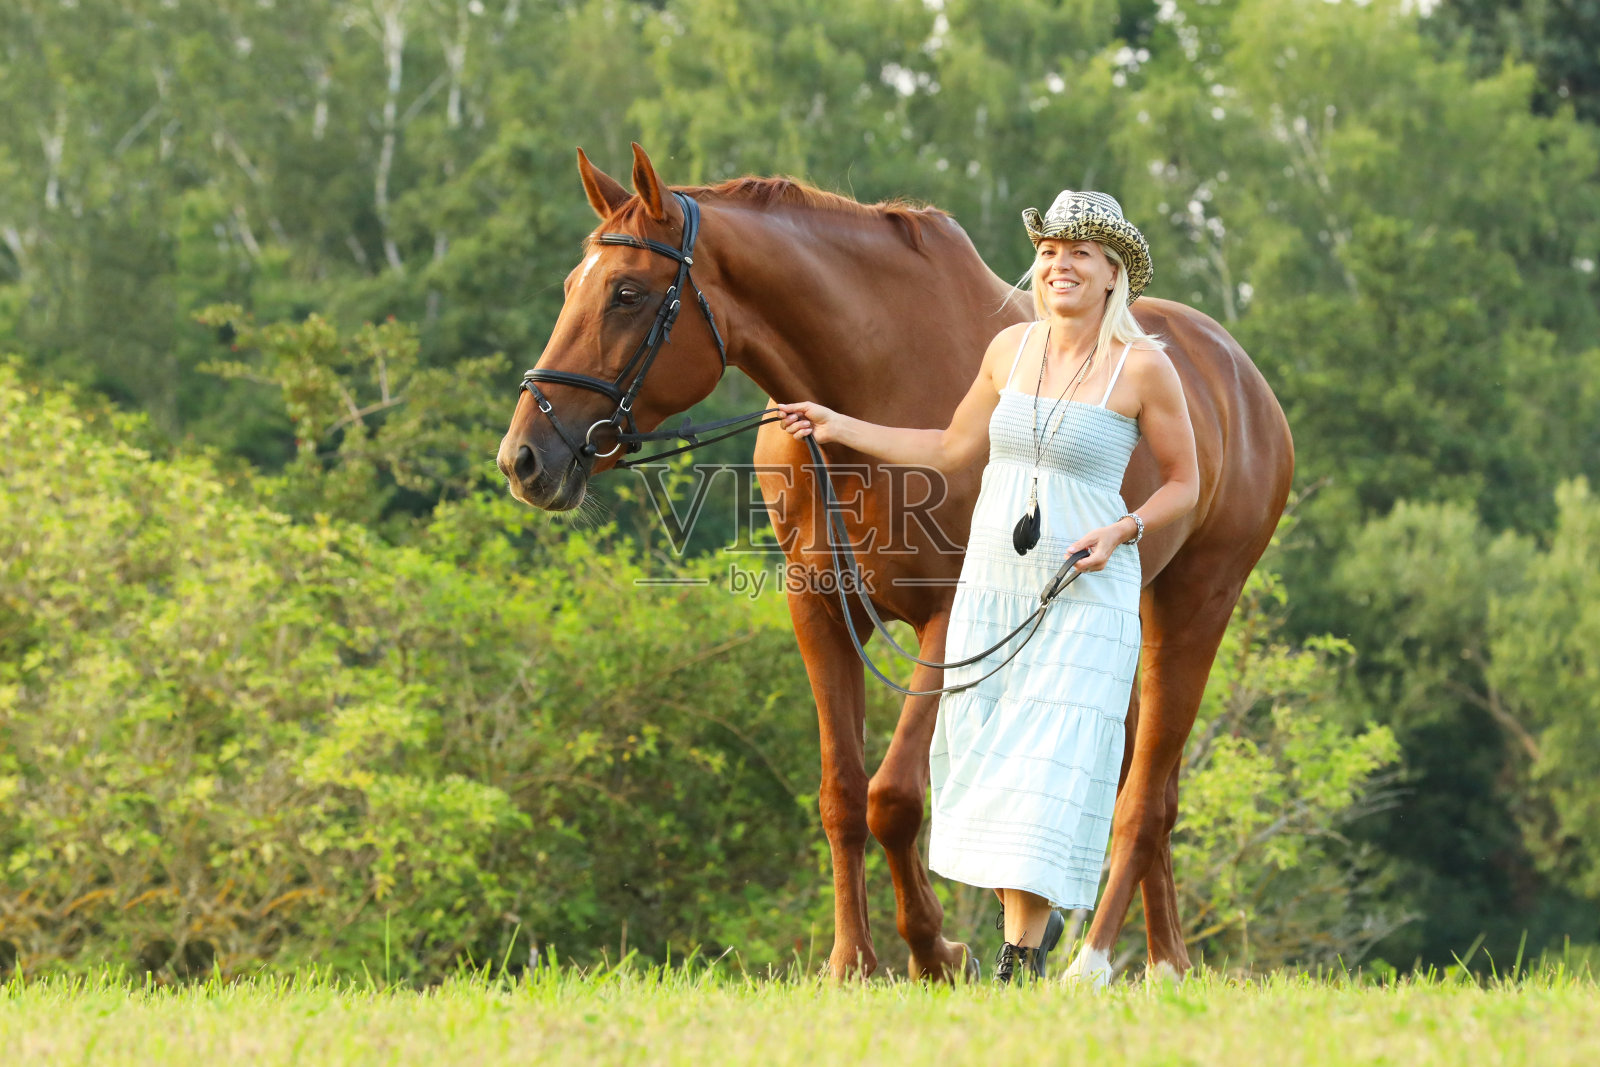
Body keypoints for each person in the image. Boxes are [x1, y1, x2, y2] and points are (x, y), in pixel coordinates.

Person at [776, 190, 1199, 983]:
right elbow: (950, 448)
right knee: (999, 762)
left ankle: (1018, 959)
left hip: (1082, 587)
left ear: (1113, 275)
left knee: (1050, 764)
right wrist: (837, 423)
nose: (1058, 265)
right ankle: (1026, 951)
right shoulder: (1010, 350)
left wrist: (1123, 529)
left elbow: (1186, 484)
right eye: (1047, 253)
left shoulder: (1144, 367)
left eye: (1078, 254)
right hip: (995, 586)